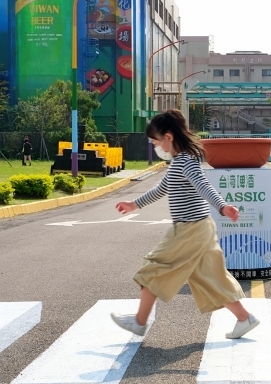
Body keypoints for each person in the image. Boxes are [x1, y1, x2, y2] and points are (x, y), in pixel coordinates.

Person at [111, 109, 260, 340]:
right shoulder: (179, 162)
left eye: (155, 142)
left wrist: (222, 206)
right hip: (201, 229)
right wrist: (134, 204)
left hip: (189, 230)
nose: (155, 147)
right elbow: (161, 189)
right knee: (210, 278)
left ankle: (139, 322)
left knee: (154, 267)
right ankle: (245, 318)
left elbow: (203, 185)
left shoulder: (185, 162)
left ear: (168, 138)